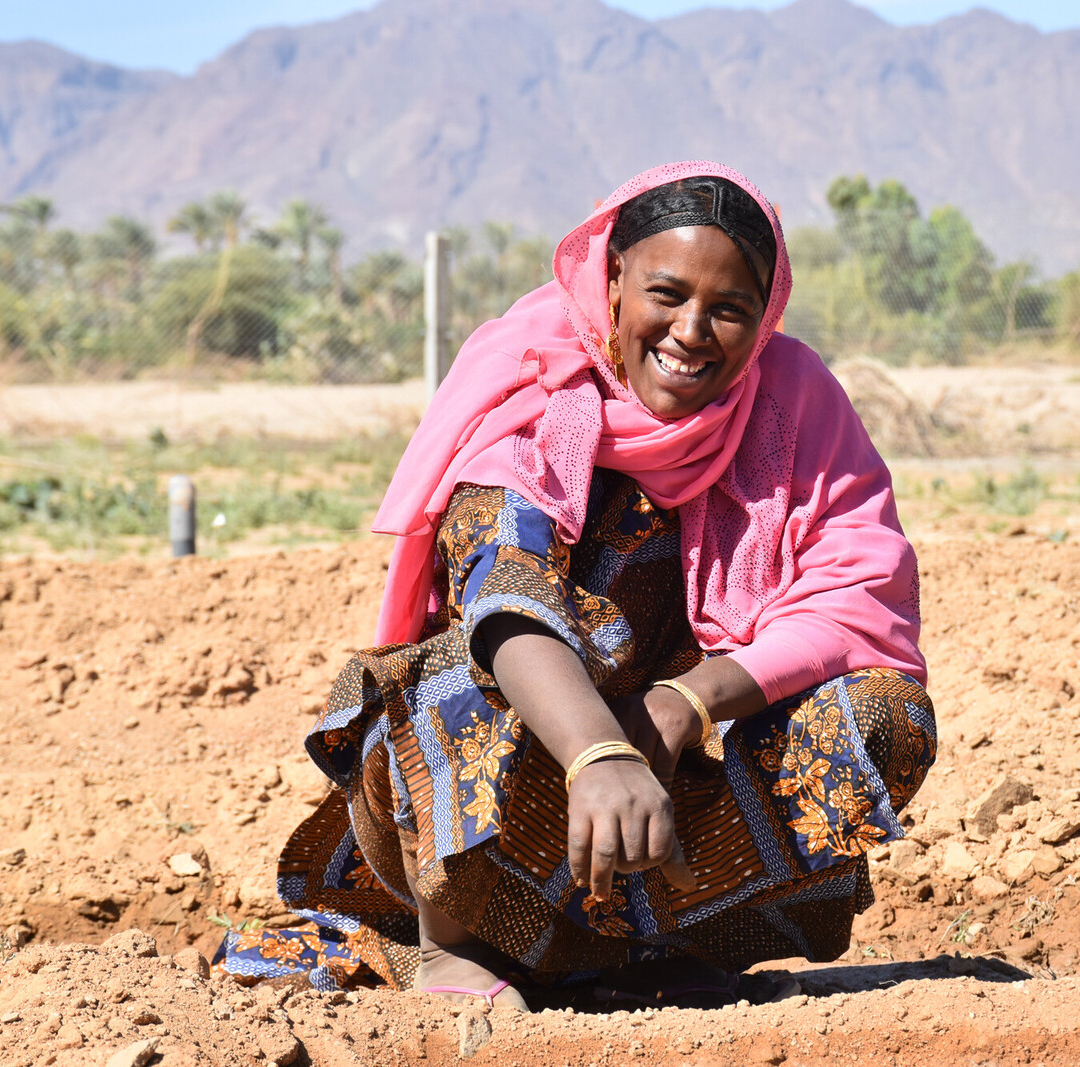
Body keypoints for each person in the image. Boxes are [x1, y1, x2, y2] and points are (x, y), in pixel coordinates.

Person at [218, 161, 935, 1010]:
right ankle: (461, 948)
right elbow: (502, 595)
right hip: (521, 795)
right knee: (448, 681)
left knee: (881, 716)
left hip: (671, 807)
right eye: (667, 293)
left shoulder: (794, 402)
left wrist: (682, 704)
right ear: (614, 279)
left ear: (765, 317)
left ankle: (672, 947)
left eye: (731, 309)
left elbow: (856, 597)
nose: (693, 330)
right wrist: (598, 752)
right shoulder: (532, 386)